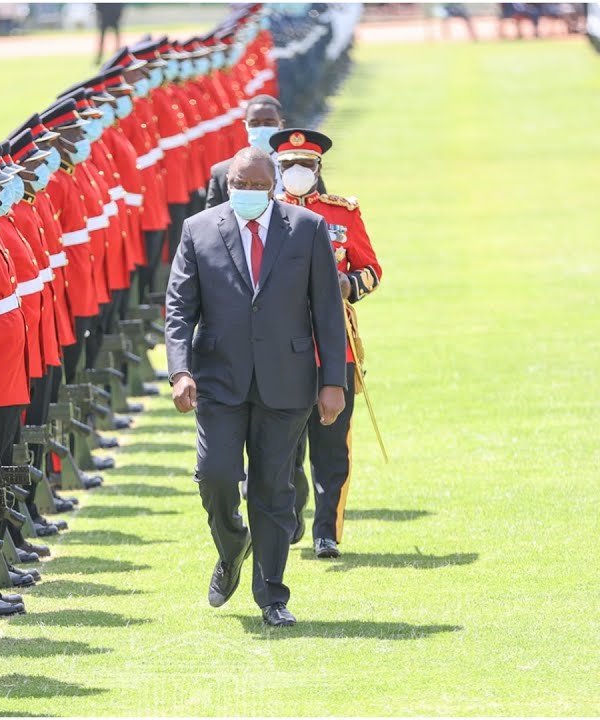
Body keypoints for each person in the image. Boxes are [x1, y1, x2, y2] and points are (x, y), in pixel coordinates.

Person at [165, 147, 347, 626]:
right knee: (216, 477)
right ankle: (231, 547)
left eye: (256, 186)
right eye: (238, 186)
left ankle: (272, 597)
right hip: (219, 381)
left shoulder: (305, 229)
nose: (246, 193)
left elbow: (327, 309)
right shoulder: (199, 230)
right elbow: (179, 309)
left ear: (274, 185)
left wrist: (333, 381)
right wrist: (180, 371)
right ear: (228, 186)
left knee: (272, 489)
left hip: (286, 383)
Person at [273, 128, 382, 560]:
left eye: (305, 165)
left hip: (335, 345)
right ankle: (289, 513)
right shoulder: (266, 212)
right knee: (284, 444)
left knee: (332, 443)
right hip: (280, 347)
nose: (296, 173)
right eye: (287, 166)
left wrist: (347, 282)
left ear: (318, 169)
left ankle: (327, 531)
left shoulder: (343, 213)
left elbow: (372, 269)